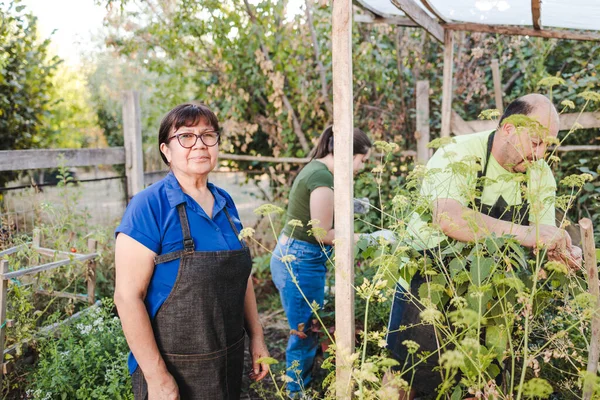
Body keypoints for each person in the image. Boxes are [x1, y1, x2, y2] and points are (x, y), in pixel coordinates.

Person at [385, 94, 582, 399]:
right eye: (534, 142)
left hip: (490, 288)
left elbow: (541, 235)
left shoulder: (540, 173)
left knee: (478, 377)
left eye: (547, 145)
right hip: (428, 278)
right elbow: (449, 219)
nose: (540, 154)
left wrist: (562, 253)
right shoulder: (459, 153)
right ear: (507, 129)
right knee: (408, 374)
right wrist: (526, 234)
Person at [114, 103, 269, 400]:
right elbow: (127, 297)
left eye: (208, 135)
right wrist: (157, 377)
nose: (199, 144)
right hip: (174, 368)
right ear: (166, 151)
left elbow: (241, 277)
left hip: (227, 359)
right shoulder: (148, 207)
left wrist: (258, 337)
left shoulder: (226, 204)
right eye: (186, 136)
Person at [270, 126, 372, 395]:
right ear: (348, 154)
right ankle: (296, 393)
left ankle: (302, 387)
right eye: (363, 160)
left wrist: (353, 204)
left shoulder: (321, 172)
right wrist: (370, 239)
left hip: (300, 255)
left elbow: (324, 210)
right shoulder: (321, 177)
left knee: (308, 327)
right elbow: (323, 233)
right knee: (303, 333)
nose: (362, 167)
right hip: (299, 260)